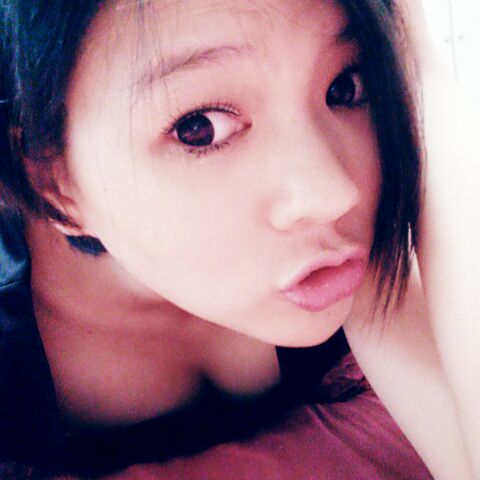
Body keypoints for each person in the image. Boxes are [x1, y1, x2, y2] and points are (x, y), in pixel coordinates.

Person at [0, 0, 476, 478]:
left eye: (344, 87)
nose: (334, 194)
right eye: (200, 129)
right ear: (55, 182)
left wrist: (420, 66)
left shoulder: (350, 247)